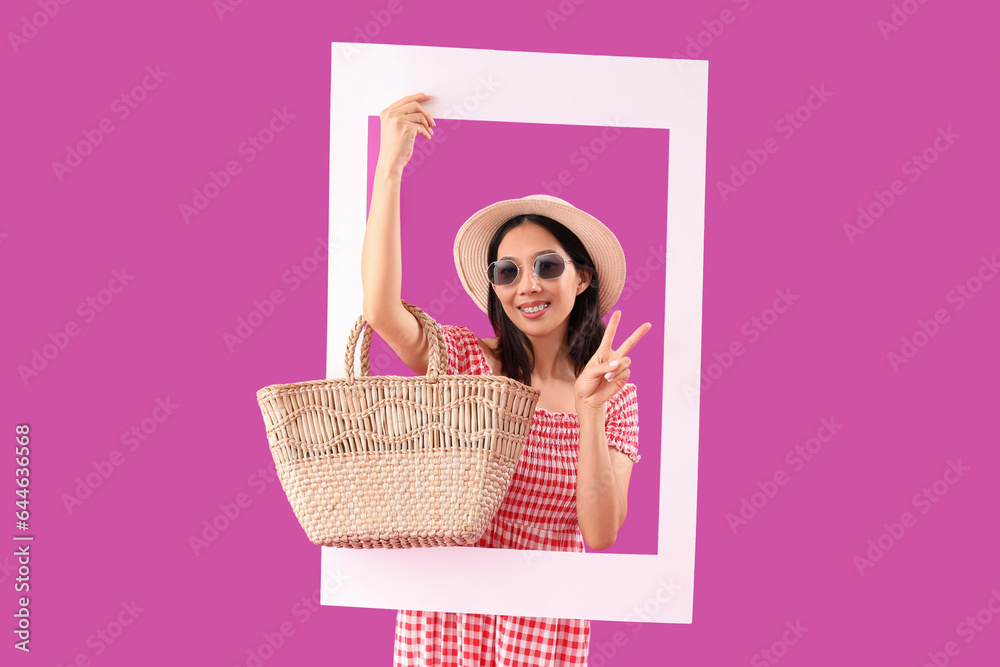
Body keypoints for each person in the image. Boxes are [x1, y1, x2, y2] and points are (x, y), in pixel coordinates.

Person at [362, 92, 651, 666]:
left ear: (583, 277)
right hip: (444, 620)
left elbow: (601, 534)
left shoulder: (615, 395)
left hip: (546, 632)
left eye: (548, 265)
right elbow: (380, 310)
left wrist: (590, 411)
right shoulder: (468, 365)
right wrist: (389, 168)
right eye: (508, 271)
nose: (528, 286)